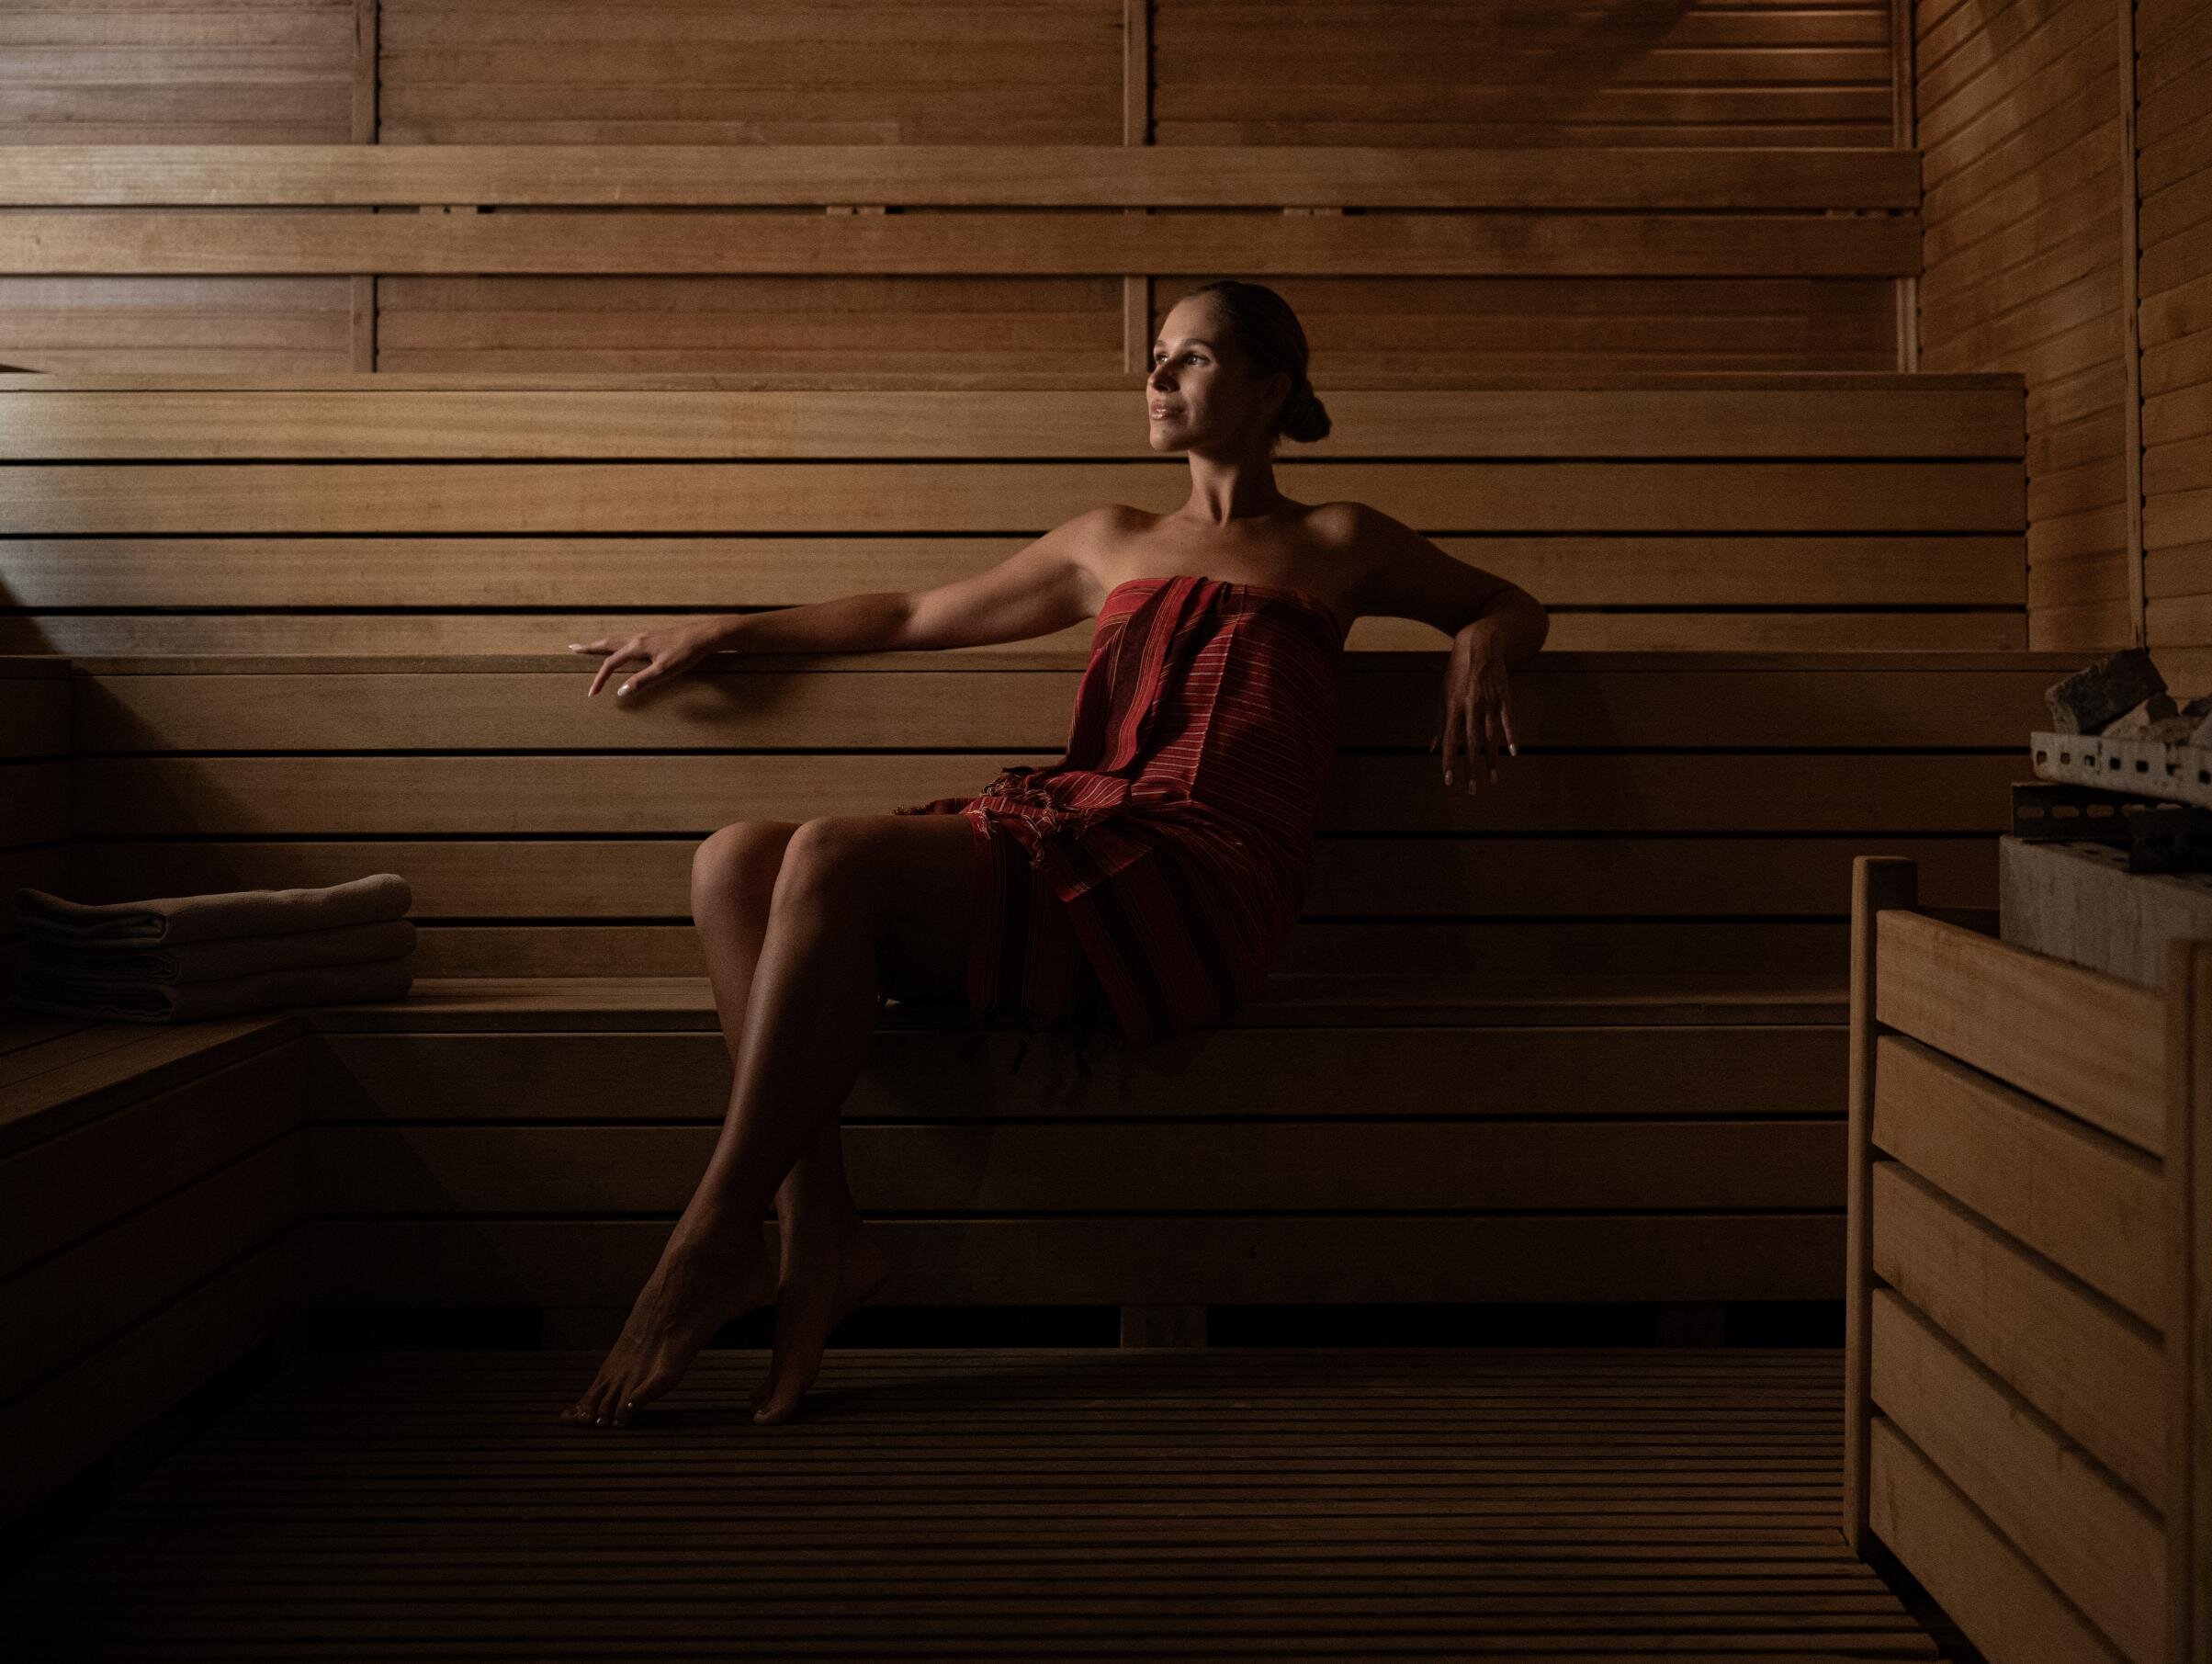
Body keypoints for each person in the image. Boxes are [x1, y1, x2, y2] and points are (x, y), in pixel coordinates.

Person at [557, 279, 1549, 1430]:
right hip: (1083, 836)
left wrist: (1481, 641)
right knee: (733, 860)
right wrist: (723, 628)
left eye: (1192, 356)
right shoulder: (1106, 539)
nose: (1157, 375)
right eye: (1156, 354)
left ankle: (707, 1237)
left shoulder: (1339, 540)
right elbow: (910, 614)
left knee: (829, 852)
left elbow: (1506, 601)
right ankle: (811, 1226)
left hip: (1202, 877)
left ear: (1272, 386)